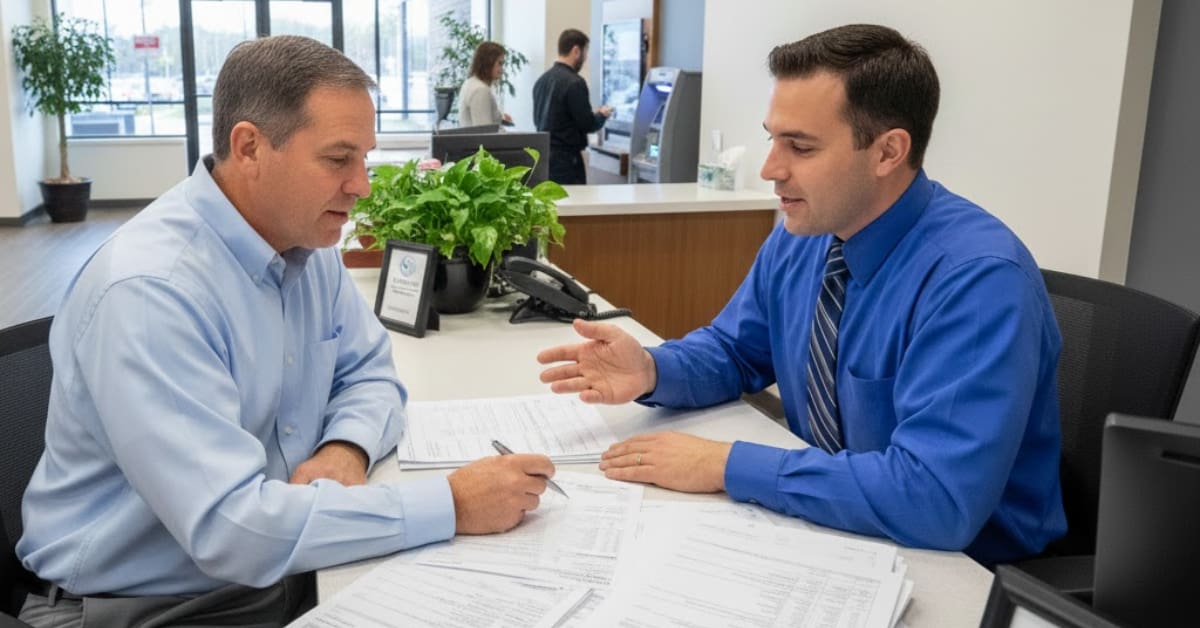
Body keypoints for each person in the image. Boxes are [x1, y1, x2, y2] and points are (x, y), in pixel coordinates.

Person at [16, 35, 553, 627]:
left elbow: (368, 371)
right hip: (151, 608)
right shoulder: (151, 291)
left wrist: (343, 448)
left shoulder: (302, 237)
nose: (362, 186)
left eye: (365, 159)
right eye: (338, 158)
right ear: (249, 147)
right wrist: (452, 504)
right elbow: (232, 529)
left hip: (273, 574)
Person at [537, 24, 1066, 566]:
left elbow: (935, 497)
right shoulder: (808, 234)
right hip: (837, 530)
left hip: (970, 569)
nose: (771, 170)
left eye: (801, 147)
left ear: (888, 152)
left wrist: (724, 466)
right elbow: (735, 350)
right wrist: (652, 369)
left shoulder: (977, 281)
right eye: (773, 138)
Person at [532, 28, 613, 184]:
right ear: (576, 51)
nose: (585, 58)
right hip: (567, 162)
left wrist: (590, 113)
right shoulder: (575, 83)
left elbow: (554, 116)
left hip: (544, 160)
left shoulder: (542, 81)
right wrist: (602, 115)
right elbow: (587, 124)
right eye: (585, 52)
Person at [456, 41, 513, 128]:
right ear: (488, 62)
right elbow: (483, 134)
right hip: (482, 142)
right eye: (499, 64)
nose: (502, 70)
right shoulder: (480, 90)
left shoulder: (470, 82)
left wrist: (499, 118)